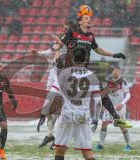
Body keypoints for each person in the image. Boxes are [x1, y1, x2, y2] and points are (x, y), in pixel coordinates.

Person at [38, 47, 102, 160]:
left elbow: (51, 93)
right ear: (86, 59)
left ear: (72, 58)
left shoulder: (64, 74)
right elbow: (98, 102)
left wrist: (44, 112)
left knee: (60, 150)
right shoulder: (92, 76)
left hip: (67, 115)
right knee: (87, 153)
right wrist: (96, 119)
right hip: (83, 116)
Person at [36, 21, 77, 149]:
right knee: (53, 110)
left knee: (63, 111)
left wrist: (60, 43)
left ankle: (60, 139)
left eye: (66, 29)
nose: (64, 30)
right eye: (63, 28)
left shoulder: (72, 43)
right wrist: (37, 53)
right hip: (54, 76)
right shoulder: (60, 43)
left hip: (65, 77)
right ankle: (50, 135)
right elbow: (50, 51)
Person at [96, 66, 132, 151]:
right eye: (114, 71)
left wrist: (122, 104)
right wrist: (104, 105)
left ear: (120, 72)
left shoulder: (122, 82)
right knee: (104, 123)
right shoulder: (108, 81)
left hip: (120, 107)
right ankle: (101, 144)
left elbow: (128, 95)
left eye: (117, 71)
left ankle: (128, 145)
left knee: (121, 125)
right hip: (110, 106)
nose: (115, 72)